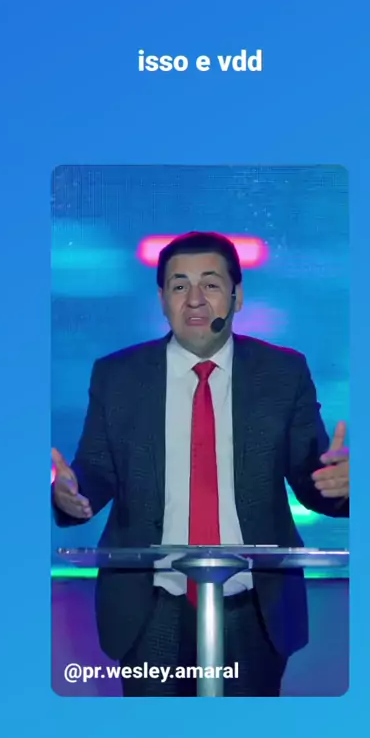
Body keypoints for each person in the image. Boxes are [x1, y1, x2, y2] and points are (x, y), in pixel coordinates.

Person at [52, 231, 349, 697]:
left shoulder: (282, 372)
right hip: (149, 604)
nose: (194, 299)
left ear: (237, 296)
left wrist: (340, 485)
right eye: (179, 286)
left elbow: (312, 478)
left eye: (210, 284)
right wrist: (69, 495)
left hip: (254, 603)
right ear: (162, 300)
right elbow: (95, 470)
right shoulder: (118, 375)